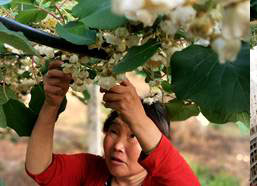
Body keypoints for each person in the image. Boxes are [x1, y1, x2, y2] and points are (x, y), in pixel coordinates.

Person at [25, 61, 199, 185]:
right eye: (114, 131)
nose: (118, 146)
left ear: (150, 147)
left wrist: (138, 119)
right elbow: (40, 170)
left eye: (134, 136)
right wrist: (51, 105)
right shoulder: (91, 171)